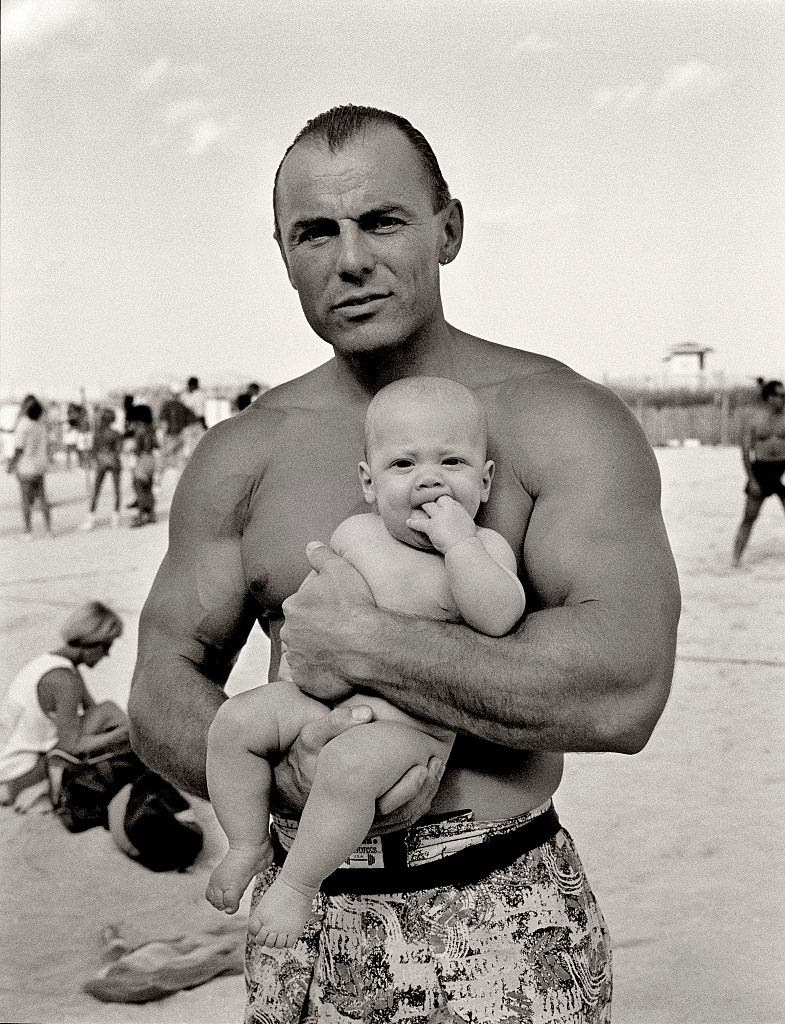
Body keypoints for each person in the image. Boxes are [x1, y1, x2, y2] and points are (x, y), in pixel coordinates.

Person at [129, 105, 680, 1022]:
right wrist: (289, 769)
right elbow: (159, 685)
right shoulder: (245, 450)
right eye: (315, 232)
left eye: (381, 221)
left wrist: (368, 648)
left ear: (447, 230)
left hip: (499, 905)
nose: (349, 259)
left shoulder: (562, 420)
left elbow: (624, 691)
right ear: (283, 255)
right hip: (301, 923)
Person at [206, 376, 526, 947]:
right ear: (369, 482)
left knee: (348, 769)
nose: (428, 478)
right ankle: (247, 842)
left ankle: (298, 887)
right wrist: (301, 674)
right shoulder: (355, 534)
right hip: (318, 700)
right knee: (235, 723)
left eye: (451, 461)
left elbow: (499, 617)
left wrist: (460, 547)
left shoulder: (485, 550)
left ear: (485, 480)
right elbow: (312, 617)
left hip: (411, 729)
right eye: (403, 464)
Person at [0, 601, 126, 806]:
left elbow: (95, 711)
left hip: (9, 763)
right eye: (107, 646)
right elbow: (72, 745)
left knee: (109, 712)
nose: (108, 654)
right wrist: (125, 733)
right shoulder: (64, 680)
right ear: (92, 642)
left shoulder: (53, 663)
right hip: (20, 774)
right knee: (117, 723)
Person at [732, 378, 785, 566]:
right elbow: (746, 453)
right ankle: (735, 559)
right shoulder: (754, 420)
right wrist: (752, 480)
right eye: (780, 395)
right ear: (770, 398)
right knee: (749, 517)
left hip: (781, 469)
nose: (783, 399)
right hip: (761, 470)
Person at [7, 396, 52, 539]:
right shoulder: (41, 425)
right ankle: (48, 530)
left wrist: (11, 464)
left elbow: (19, 449)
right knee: (43, 498)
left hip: (26, 466)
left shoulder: (23, 425)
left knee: (26, 500)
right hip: (39, 465)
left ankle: (28, 531)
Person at [81, 407, 123, 530]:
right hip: (114, 461)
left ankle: (91, 518)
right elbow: (119, 449)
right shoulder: (116, 433)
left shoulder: (98, 434)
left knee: (96, 490)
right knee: (116, 490)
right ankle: (116, 518)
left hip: (102, 462)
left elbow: (93, 450)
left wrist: (91, 459)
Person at [130, 429, 156, 528]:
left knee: (139, 490)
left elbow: (137, 449)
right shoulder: (150, 432)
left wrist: (133, 451)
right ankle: (151, 514)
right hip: (151, 459)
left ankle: (141, 517)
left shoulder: (139, 433)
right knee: (149, 489)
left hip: (143, 460)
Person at [181, 376, 208, 460]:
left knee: (189, 448)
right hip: (197, 423)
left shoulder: (188, 395)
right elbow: (201, 413)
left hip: (190, 424)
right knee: (198, 446)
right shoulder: (200, 395)